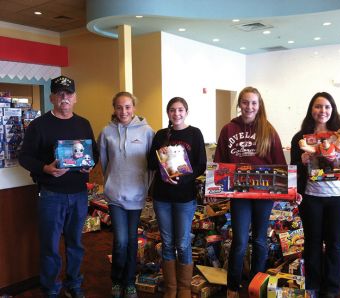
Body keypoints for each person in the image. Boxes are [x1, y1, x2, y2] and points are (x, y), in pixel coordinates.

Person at [18, 75, 99, 298]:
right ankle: (51, 290)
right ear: (52, 97)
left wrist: (89, 164)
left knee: (76, 244)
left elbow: (95, 155)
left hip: (79, 194)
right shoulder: (39, 125)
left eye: (69, 94)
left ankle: (74, 285)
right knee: (50, 247)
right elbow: (24, 157)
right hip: (51, 195)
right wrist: (45, 168)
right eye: (60, 94)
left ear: (75, 98)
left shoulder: (83, 123)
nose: (65, 98)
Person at [214, 86, 286, 297]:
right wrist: (216, 185)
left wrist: (288, 191)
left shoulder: (268, 129)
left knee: (260, 240)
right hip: (239, 196)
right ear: (239, 104)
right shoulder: (228, 129)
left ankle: (256, 284)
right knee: (240, 240)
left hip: (263, 195)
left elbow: (279, 164)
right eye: (245, 102)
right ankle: (232, 286)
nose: (249, 107)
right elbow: (219, 161)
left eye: (254, 103)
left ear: (259, 105)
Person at [290, 92, 340, 298]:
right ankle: (314, 285)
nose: (323, 111)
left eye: (327, 107)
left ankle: (332, 289)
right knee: (312, 243)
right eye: (318, 107)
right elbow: (294, 169)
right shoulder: (300, 138)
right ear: (312, 109)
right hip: (312, 197)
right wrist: (301, 161)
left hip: (338, 197)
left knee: (336, 244)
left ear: (332, 110)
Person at [148, 97, 207, 298]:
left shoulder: (195, 133)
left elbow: (201, 164)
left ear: (186, 112)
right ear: (168, 113)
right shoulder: (161, 135)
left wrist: (183, 181)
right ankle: (171, 288)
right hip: (162, 197)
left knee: (182, 243)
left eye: (180, 110)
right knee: (167, 243)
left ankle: (183, 288)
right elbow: (149, 163)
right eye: (172, 110)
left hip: (185, 197)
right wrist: (159, 153)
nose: (177, 113)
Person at [97, 91, 154, 298]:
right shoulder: (106, 132)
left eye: (128, 107)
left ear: (134, 108)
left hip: (137, 195)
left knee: (131, 240)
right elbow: (104, 163)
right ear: (114, 108)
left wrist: (145, 187)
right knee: (120, 240)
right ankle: (116, 279)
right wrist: (111, 182)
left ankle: (129, 282)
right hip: (115, 195)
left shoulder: (147, 132)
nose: (124, 111)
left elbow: (152, 165)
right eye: (119, 107)